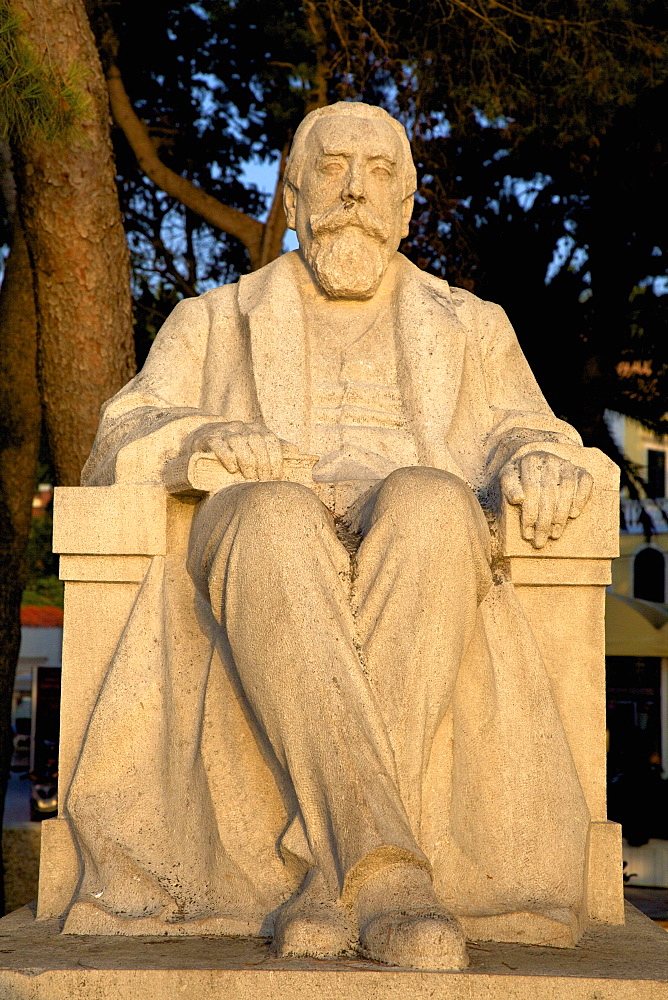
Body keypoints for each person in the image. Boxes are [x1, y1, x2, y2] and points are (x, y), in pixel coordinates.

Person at [70, 102, 593, 969]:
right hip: (259, 526)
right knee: (273, 515)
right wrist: (199, 438)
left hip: (415, 527)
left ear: (407, 207)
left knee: (431, 503)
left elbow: (525, 428)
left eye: (381, 172)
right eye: (333, 168)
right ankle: (392, 879)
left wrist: (541, 459)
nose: (355, 190)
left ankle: (333, 880)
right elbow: (121, 432)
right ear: (291, 193)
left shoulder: (470, 325)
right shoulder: (215, 318)